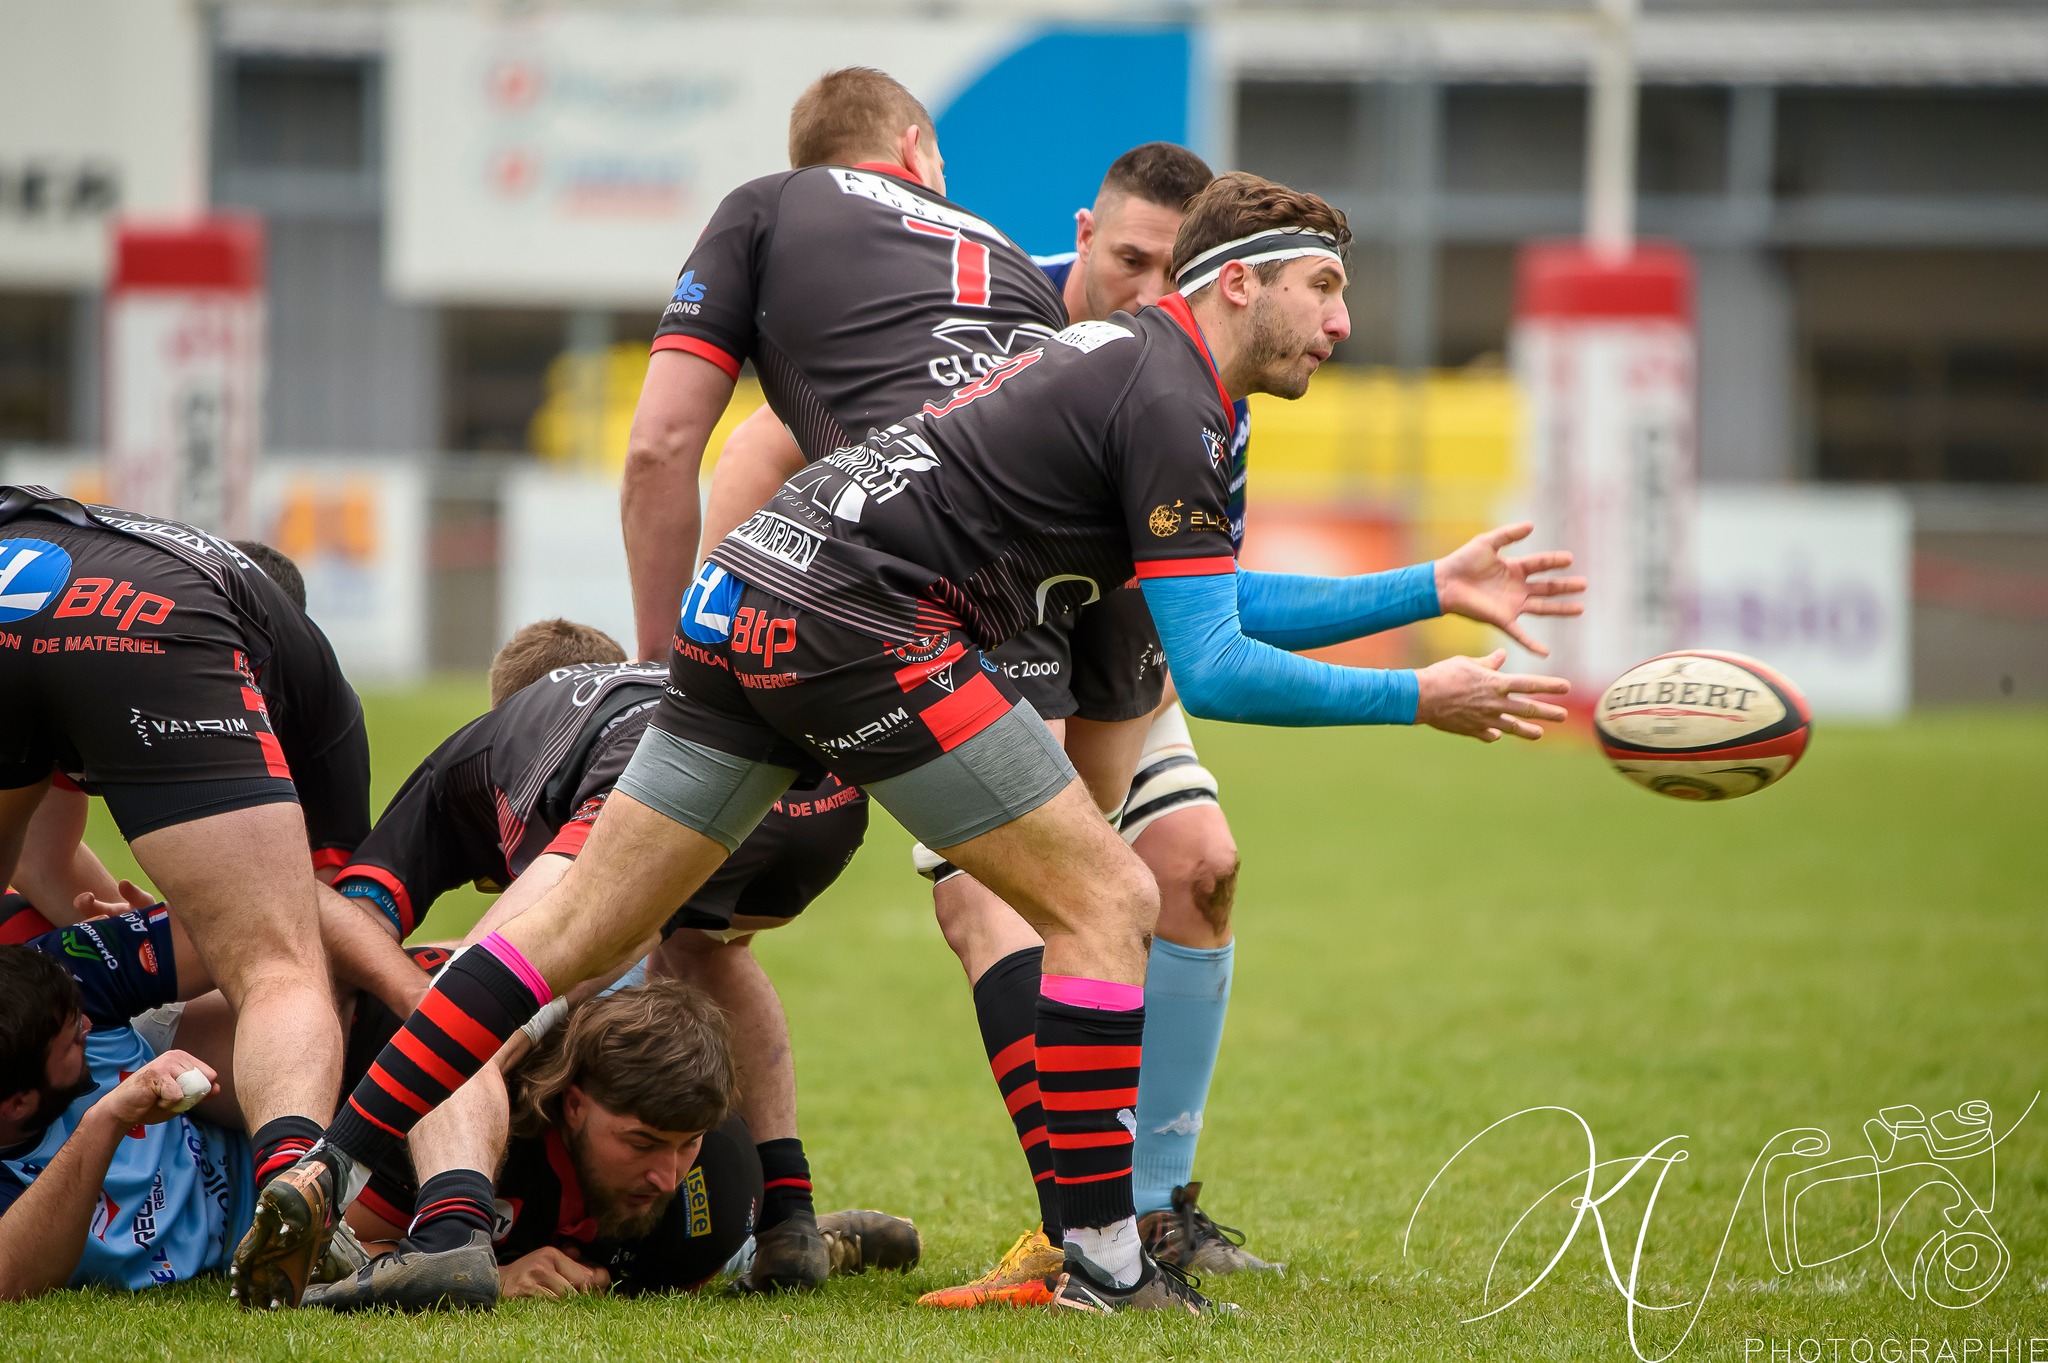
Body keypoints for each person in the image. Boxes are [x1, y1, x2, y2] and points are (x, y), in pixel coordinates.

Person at [239, 170, 1582, 1315]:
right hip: (855, 619)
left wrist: (1429, 587)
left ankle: (328, 1168)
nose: (1343, 324)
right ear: (1235, 284)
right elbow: (1219, 669)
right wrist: (1424, 696)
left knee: (578, 922)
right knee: (1109, 893)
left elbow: (1209, 605)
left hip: (753, 589)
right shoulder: (1173, 397)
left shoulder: (1141, 368)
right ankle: (1107, 1261)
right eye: (1320, 289)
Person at [329, 617, 868, 1289]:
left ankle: (450, 1232)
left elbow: (349, 922)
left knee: (474, 1018)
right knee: (709, 945)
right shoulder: (637, 696)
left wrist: (421, 993)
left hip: (673, 784)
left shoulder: (486, 754)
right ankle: (790, 1219)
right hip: (826, 797)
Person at [0, 490, 426, 1294]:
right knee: (281, 961)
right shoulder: (316, 700)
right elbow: (319, 929)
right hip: (147, 616)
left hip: (22, 571)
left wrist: (139, 952)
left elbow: (47, 866)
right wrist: (425, 1004)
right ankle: (293, 1181)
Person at [305, 972, 917, 1309]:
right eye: (642, 1142)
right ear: (573, 1105)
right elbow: (345, 1256)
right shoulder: (452, 1119)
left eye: (685, 1143)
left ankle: (810, 1241)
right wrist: (499, 1271)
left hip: (687, 1224)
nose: (667, 1174)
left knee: (711, 1246)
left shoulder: (717, 1174)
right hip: (359, 1040)